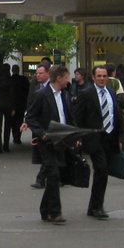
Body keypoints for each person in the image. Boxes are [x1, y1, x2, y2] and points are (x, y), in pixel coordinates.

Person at [24, 63, 74, 224]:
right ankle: (55, 212)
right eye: (66, 77)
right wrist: (41, 133)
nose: (68, 80)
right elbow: (30, 117)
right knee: (53, 174)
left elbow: (68, 116)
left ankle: (45, 210)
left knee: (56, 175)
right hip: (47, 141)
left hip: (62, 139)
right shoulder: (42, 95)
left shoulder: (65, 94)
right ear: (59, 78)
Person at [76, 66, 124, 219]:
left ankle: (94, 206)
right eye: (99, 76)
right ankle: (97, 207)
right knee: (101, 170)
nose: (102, 78)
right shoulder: (86, 93)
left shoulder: (110, 92)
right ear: (93, 77)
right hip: (94, 138)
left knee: (103, 173)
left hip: (110, 138)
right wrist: (78, 136)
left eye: (104, 76)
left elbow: (115, 114)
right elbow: (79, 116)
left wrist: (119, 139)